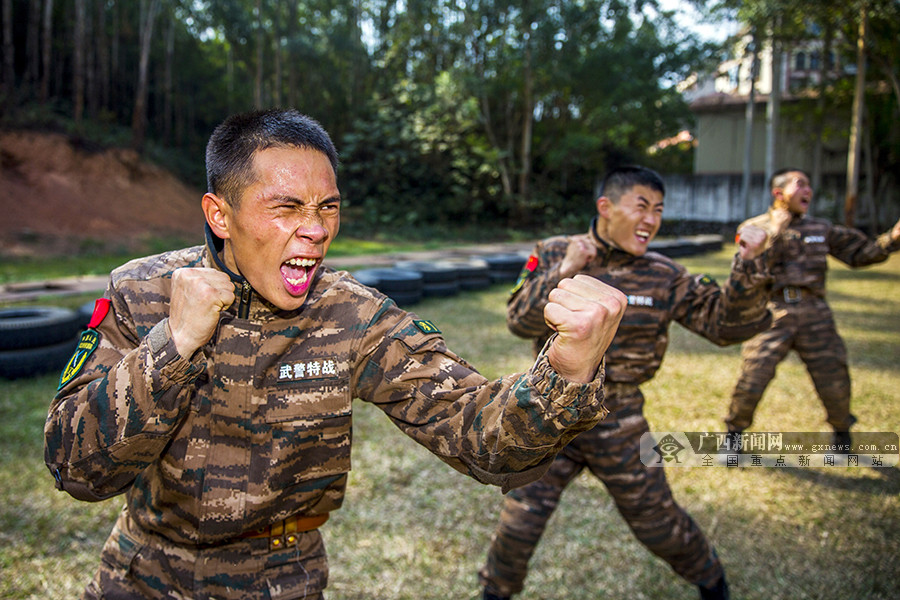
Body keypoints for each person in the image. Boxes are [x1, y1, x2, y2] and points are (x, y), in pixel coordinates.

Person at [44, 108, 628, 600]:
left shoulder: (352, 313)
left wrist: (565, 374)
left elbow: (485, 440)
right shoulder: (142, 292)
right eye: (287, 207)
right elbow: (74, 465)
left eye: (328, 207)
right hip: (143, 577)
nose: (316, 229)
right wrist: (171, 347)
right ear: (220, 214)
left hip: (283, 580)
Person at [478, 165, 775, 600]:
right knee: (518, 525)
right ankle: (493, 595)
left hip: (619, 420)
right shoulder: (556, 249)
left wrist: (749, 266)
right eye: (641, 206)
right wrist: (565, 268)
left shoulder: (665, 273)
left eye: (658, 209)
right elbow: (518, 320)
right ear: (606, 207)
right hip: (549, 412)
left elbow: (725, 326)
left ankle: (713, 583)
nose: (652, 220)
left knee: (658, 522)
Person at [724, 167, 900, 450]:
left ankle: (842, 434)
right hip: (770, 312)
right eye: (800, 184)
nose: (808, 190)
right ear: (778, 193)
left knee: (834, 378)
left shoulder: (820, 228)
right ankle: (733, 436)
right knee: (753, 376)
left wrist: (893, 238)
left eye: (809, 185)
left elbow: (860, 253)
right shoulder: (755, 227)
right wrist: (778, 230)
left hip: (815, 313)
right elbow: (748, 267)